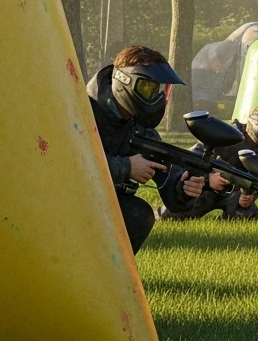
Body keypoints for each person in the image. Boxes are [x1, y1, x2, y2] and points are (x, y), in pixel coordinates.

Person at [87, 45, 205, 254]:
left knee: (138, 214)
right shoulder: (85, 111)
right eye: (149, 89)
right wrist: (125, 167)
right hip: (64, 204)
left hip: (100, 205)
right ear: (125, 81)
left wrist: (185, 188)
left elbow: (169, 180)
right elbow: (68, 165)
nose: (156, 98)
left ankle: (109, 280)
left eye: (159, 90)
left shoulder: (139, 127)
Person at [156, 103, 258, 222]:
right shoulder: (227, 134)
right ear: (255, 125)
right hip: (202, 188)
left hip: (232, 193)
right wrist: (209, 178)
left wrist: (247, 197)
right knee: (173, 215)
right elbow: (192, 159)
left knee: (246, 214)